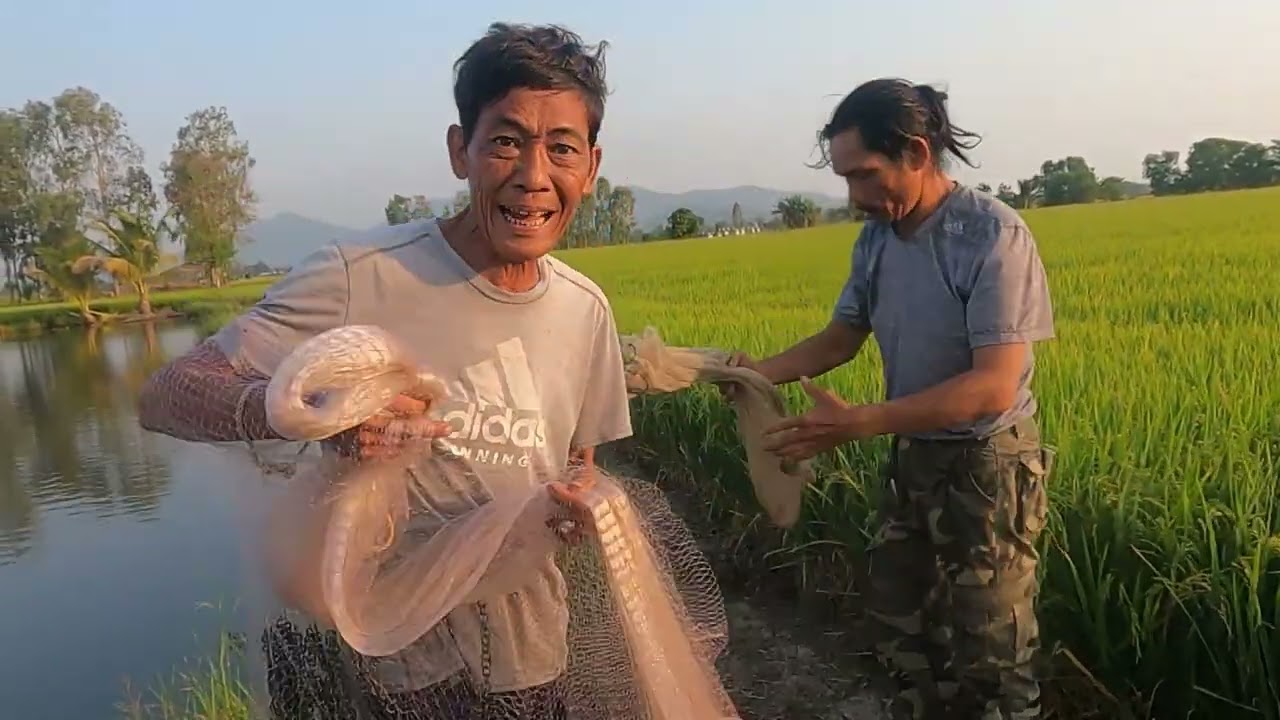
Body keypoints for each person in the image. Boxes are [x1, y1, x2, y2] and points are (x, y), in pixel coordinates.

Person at [137, 22, 633, 720]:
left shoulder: (586, 310)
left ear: (590, 165)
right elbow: (166, 394)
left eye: (561, 149)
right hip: (396, 660)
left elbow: (578, 460)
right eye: (506, 141)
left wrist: (578, 502)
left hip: (532, 651)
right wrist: (298, 413)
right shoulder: (356, 276)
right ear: (461, 151)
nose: (533, 177)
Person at [729, 78, 1055, 720]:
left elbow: (992, 385)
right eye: (846, 178)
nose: (855, 197)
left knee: (991, 644)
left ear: (915, 151)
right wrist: (754, 375)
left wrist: (860, 423)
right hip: (913, 457)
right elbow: (842, 338)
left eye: (865, 175)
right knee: (904, 622)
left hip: (987, 468)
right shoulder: (877, 240)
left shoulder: (991, 236)